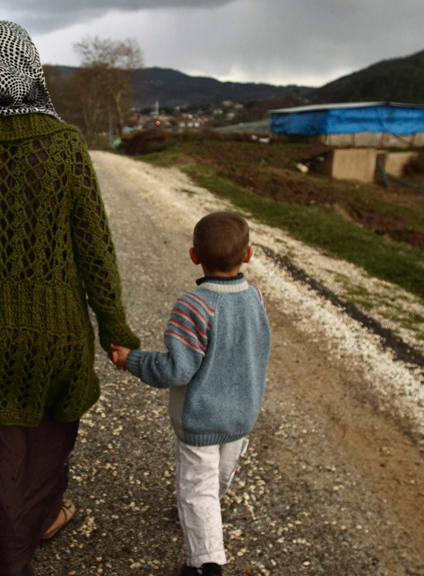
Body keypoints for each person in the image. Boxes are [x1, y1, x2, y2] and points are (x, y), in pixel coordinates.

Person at [0, 20, 140, 576]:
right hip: (56, 335)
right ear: (31, 68)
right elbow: (95, 250)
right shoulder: (64, 145)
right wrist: (114, 328)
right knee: (45, 451)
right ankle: (15, 546)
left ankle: (5, 527)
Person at [110, 212, 271, 576]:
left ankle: (205, 563)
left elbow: (175, 370)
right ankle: (202, 517)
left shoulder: (194, 305)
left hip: (202, 418)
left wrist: (132, 360)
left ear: (193, 256)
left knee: (197, 488)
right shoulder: (256, 298)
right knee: (217, 479)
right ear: (248, 255)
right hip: (241, 416)